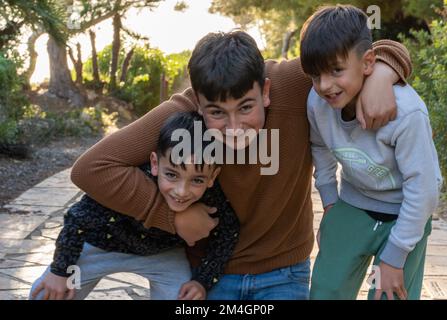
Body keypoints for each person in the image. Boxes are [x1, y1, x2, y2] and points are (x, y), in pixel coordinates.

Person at [70, 29, 412, 299]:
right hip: (210, 275)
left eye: (246, 108)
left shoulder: (292, 85)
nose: (234, 128)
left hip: (285, 272)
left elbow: (369, 46)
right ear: (199, 103)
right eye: (217, 112)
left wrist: (382, 73)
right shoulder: (184, 114)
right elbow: (92, 168)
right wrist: (172, 216)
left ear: (265, 91)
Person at [301, 5, 442, 300]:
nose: (325, 85)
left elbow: (425, 187)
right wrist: (329, 204)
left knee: (389, 294)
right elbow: (320, 149)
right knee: (327, 290)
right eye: (315, 75)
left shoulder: (407, 113)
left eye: (336, 70)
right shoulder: (317, 102)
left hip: (404, 214)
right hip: (353, 205)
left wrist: (396, 254)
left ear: (368, 63)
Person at [29, 112, 239, 300]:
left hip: (163, 255)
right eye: (172, 175)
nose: (181, 191)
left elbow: (228, 231)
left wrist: (202, 281)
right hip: (101, 245)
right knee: (45, 295)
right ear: (155, 164)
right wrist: (60, 271)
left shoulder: (212, 197)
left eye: (197, 180)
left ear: (213, 176)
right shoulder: (132, 184)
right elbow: (77, 218)